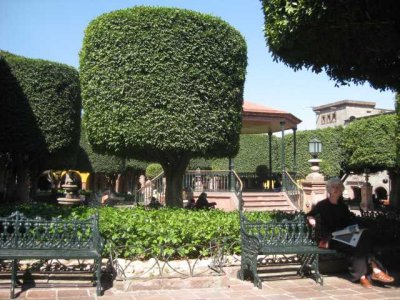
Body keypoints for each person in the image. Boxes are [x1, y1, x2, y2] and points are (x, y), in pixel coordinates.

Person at [306, 178, 394, 288]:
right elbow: (309, 214)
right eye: (334, 187)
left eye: (339, 187)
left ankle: (363, 276)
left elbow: (349, 221)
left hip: (345, 235)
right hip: (329, 238)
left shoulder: (342, 206)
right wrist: (311, 219)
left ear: (342, 189)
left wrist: (356, 227)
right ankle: (374, 270)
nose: (336, 189)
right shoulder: (322, 205)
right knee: (359, 244)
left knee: (364, 237)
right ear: (328, 189)